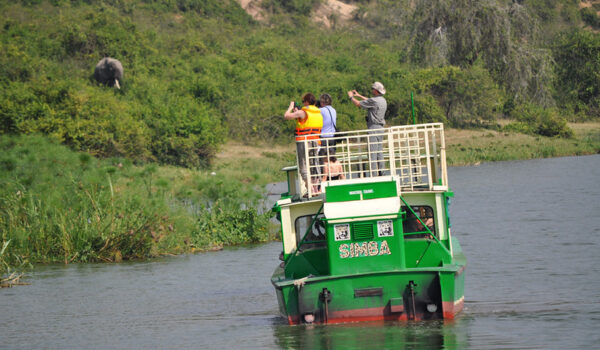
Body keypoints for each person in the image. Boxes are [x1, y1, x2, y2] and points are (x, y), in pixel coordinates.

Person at [284, 93, 323, 196]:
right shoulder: (318, 112)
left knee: (303, 165)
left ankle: (310, 189)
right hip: (316, 142)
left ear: (306, 102)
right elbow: (306, 121)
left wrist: (291, 107)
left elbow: (286, 116)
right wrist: (298, 112)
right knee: (313, 165)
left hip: (304, 142)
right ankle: (316, 188)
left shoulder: (303, 112)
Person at [348, 81, 387, 176]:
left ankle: (373, 175)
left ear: (376, 91)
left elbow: (358, 104)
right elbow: (369, 100)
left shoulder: (374, 101)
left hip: (373, 128)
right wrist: (359, 95)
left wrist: (351, 97)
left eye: (373, 89)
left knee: (372, 152)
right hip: (380, 128)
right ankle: (382, 173)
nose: (372, 90)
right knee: (379, 152)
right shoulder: (382, 100)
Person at [318, 93, 337, 158]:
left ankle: (323, 168)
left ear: (322, 102)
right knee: (332, 157)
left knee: (322, 158)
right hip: (332, 137)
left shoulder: (321, 110)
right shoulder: (333, 110)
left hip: (324, 137)